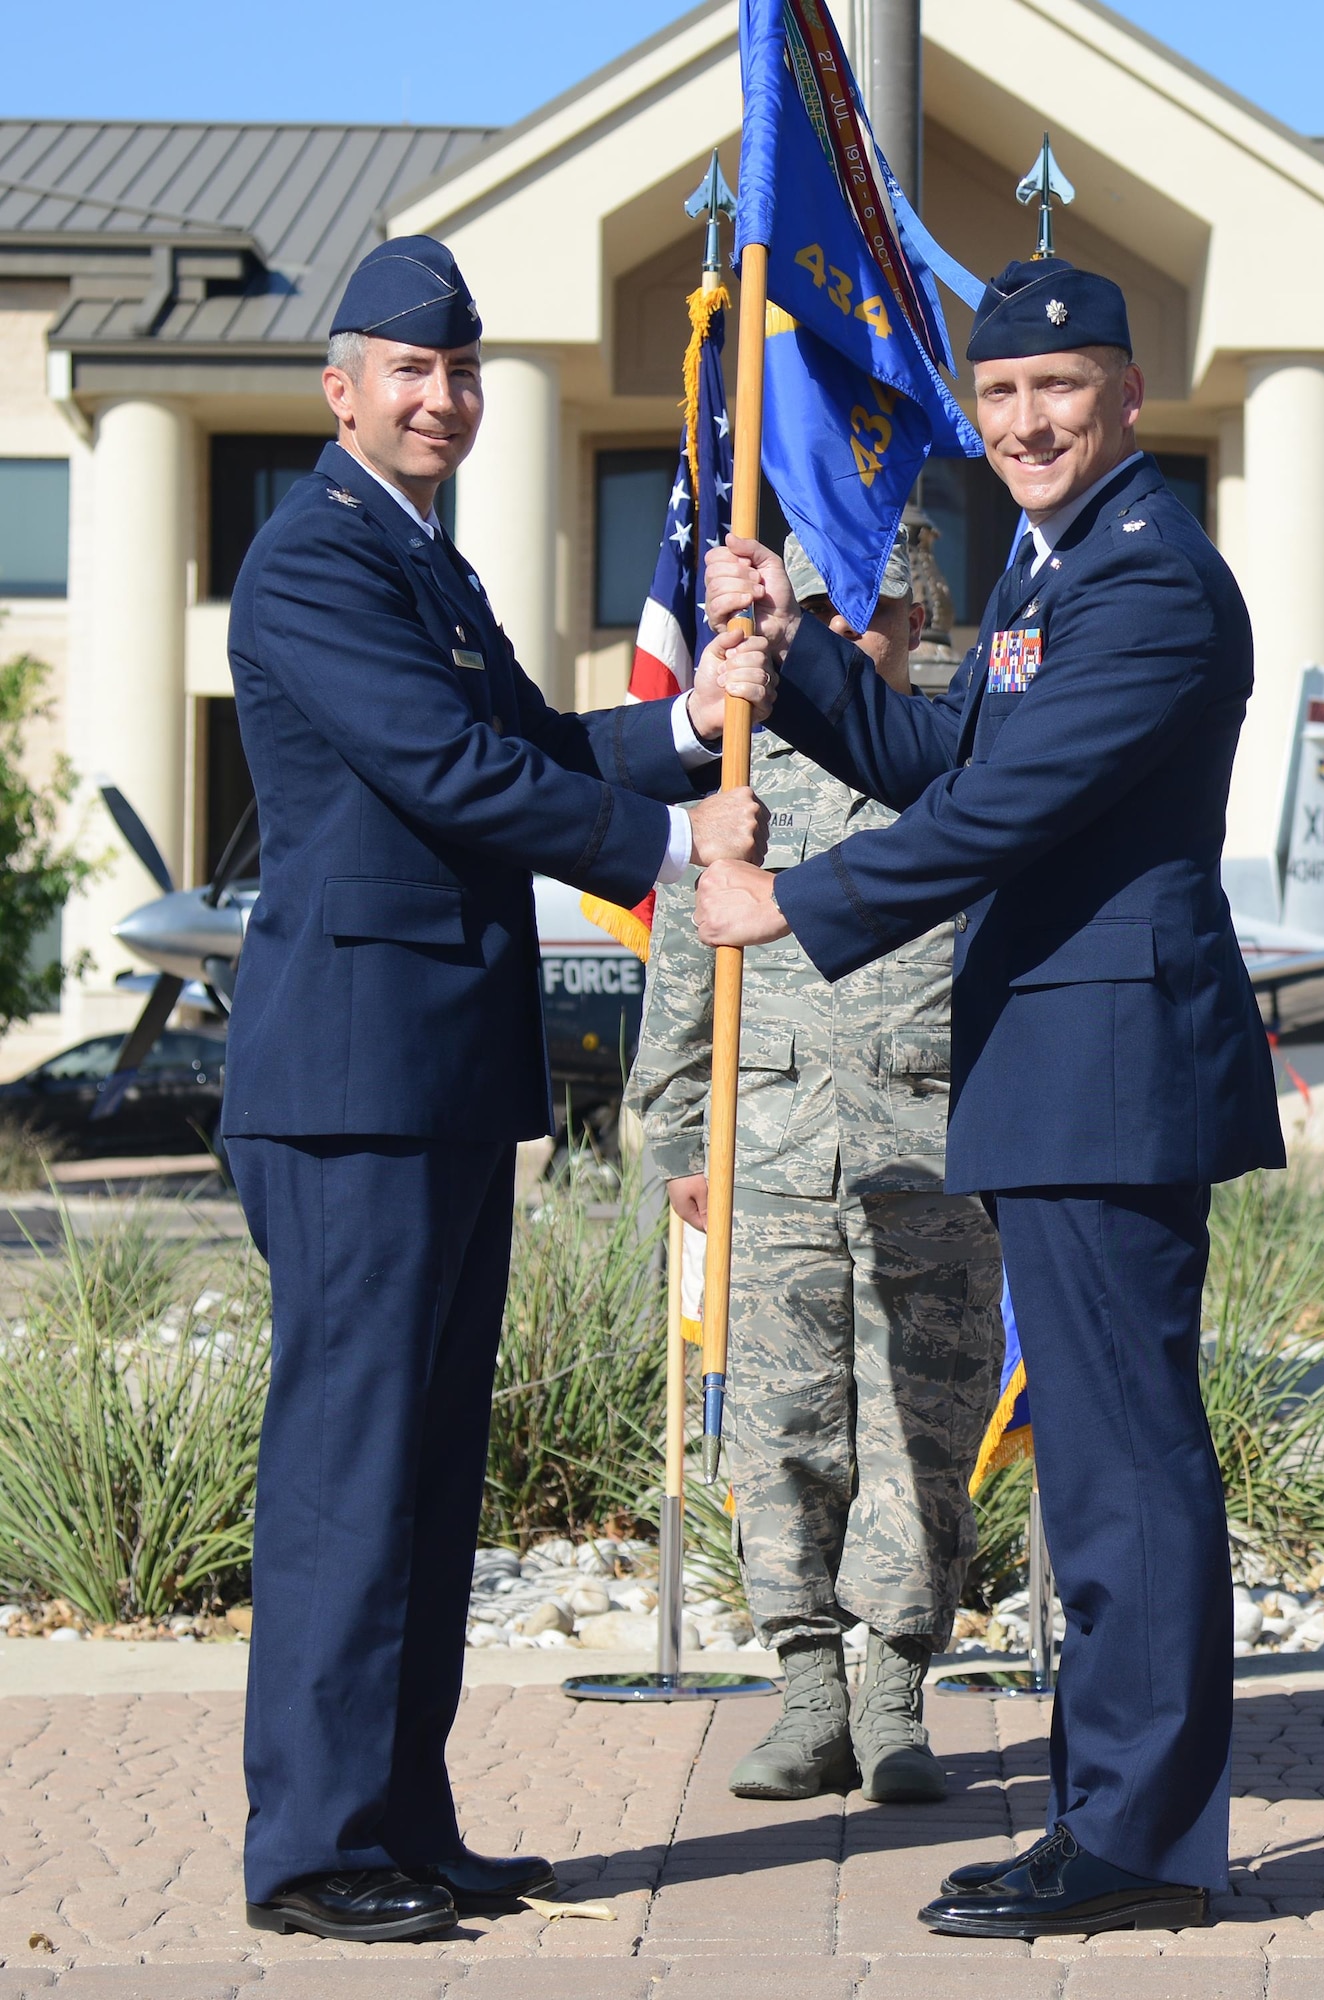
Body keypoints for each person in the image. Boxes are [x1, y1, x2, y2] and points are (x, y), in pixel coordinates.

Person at [696, 256, 1285, 1939]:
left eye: (1062, 391)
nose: (1027, 421)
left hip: (1109, 1074)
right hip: (1058, 1068)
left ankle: (1147, 1842)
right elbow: (944, 757)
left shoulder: (1153, 580)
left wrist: (791, 906)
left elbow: (998, 821)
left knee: (1127, 1469)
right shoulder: (1057, 571)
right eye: (1005, 396)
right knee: (1098, 1464)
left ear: (1127, 398)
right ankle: (1110, 1812)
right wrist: (796, 653)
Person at [222, 234, 774, 1945]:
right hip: (352, 1079)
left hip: (443, 1072)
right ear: (345, 390)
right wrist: (679, 839)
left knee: (428, 1464)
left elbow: (530, 739)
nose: (445, 397)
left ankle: (404, 1819)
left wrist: (699, 729)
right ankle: (313, 1848)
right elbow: (445, 772)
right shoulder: (315, 561)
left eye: (460, 373)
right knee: (350, 1466)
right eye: (413, 371)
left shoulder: (427, 566)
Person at [626, 527, 1002, 1807]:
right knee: (778, 1436)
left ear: (915, 615)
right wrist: (681, 1145)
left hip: (933, 1163)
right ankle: (805, 1698)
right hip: (770, 1165)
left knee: (921, 1431)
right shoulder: (740, 776)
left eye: (871, 612)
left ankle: (897, 1699)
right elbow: (680, 995)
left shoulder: (956, 775)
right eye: (821, 611)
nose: (844, 636)